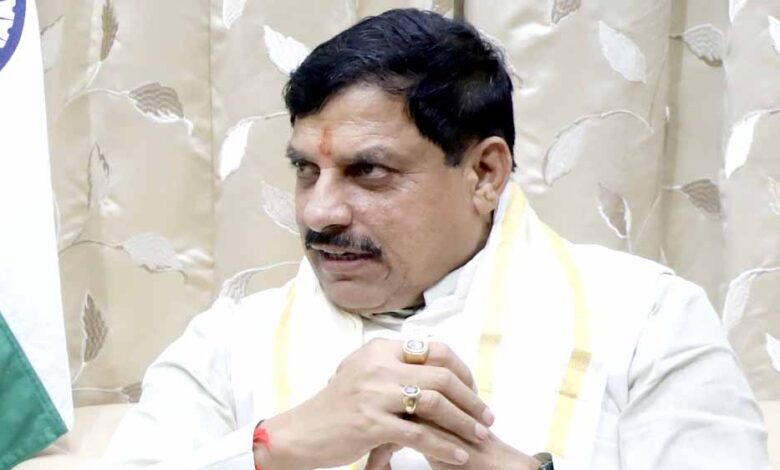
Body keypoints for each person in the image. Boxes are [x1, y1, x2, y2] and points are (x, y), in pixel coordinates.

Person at [104, 8, 769, 470]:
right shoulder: (228, 345)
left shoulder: (648, 321)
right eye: (306, 170)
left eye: (368, 171)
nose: (320, 211)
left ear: (484, 174)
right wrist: (274, 448)